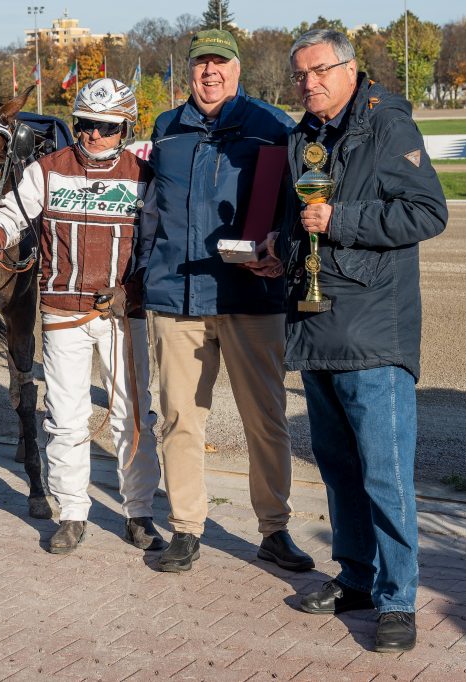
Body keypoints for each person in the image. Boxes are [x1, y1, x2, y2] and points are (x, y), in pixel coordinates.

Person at [279, 30, 447, 652]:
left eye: (320, 70)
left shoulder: (387, 126)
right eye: (300, 74)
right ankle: (355, 579)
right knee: (339, 471)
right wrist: (277, 250)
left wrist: (339, 220)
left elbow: (428, 212)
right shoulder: (304, 137)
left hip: (374, 332)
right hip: (316, 325)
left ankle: (397, 600)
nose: (310, 83)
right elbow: (300, 220)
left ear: (351, 69)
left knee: (385, 476)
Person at [137, 29, 314, 573]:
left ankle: (274, 529)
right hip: (177, 298)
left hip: (251, 297)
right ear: (188, 70)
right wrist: (141, 276)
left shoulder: (273, 126)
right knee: (179, 419)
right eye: (201, 63)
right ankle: (186, 528)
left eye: (220, 62)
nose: (209, 72)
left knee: (266, 420)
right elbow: (150, 213)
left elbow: (297, 207)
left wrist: (282, 253)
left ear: (237, 69)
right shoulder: (166, 128)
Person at [0, 78, 163, 555]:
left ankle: (139, 513)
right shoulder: (47, 170)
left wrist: (131, 290)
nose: (92, 135)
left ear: (125, 128)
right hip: (63, 312)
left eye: (106, 127)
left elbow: (156, 246)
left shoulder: (143, 177)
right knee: (65, 418)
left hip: (124, 314)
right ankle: (72, 513)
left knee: (133, 416)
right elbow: (10, 213)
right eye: (84, 124)